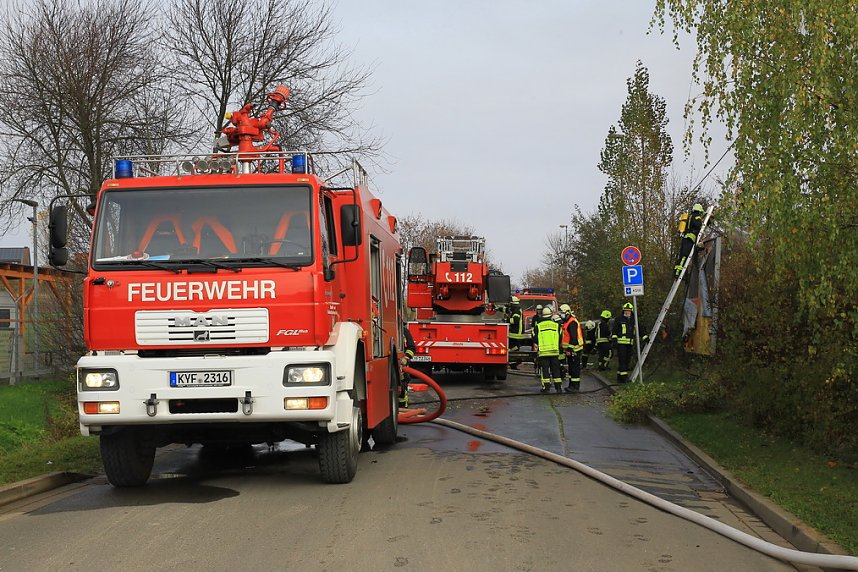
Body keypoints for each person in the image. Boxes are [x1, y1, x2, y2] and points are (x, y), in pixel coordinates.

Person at [611, 302, 647, 383]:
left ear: (632, 311)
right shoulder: (619, 319)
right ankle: (624, 378)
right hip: (621, 344)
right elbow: (614, 330)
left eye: (629, 311)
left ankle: (619, 377)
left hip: (629, 344)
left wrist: (645, 337)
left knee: (626, 360)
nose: (627, 312)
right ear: (623, 311)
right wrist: (614, 340)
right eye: (625, 311)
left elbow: (640, 329)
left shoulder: (634, 320)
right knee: (623, 360)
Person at [534, 306, 563, 393]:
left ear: (542, 316)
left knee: (545, 370)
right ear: (551, 315)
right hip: (554, 351)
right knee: (556, 369)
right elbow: (560, 337)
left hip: (544, 352)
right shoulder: (556, 325)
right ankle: (558, 388)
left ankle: (546, 388)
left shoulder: (538, 326)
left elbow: (534, 338)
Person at [675, 203, 704, 277]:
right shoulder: (696, 217)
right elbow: (698, 225)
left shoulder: (690, 217)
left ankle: (677, 271)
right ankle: (678, 272)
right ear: (699, 211)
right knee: (685, 255)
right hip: (690, 238)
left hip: (685, 237)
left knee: (682, 255)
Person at [559, 304, 583, 392]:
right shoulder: (567, 322)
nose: (561, 315)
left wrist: (569, 349)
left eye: (562, 313)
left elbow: (574, 338)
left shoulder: (572, 322)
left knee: (574, 369)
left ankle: (575, 387)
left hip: (574, 350)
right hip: (571, 350)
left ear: (567, 313)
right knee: (571, 369)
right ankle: (571, 386)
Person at [506, 296, 527, 369]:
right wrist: (498, 309)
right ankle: (514, 363)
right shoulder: (515, 309)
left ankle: (515, 362)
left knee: (514, 348)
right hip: (515, 332)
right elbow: (506, 310)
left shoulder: (516, 310)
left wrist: (507, 320)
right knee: (514, 347)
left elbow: (515, 321)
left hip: (515, 333)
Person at [399, 325, 416, 407]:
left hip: (402, 367)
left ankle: (403, 407)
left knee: (402, 388)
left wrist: (406, 358)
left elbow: (412, 348)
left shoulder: (404, 331)